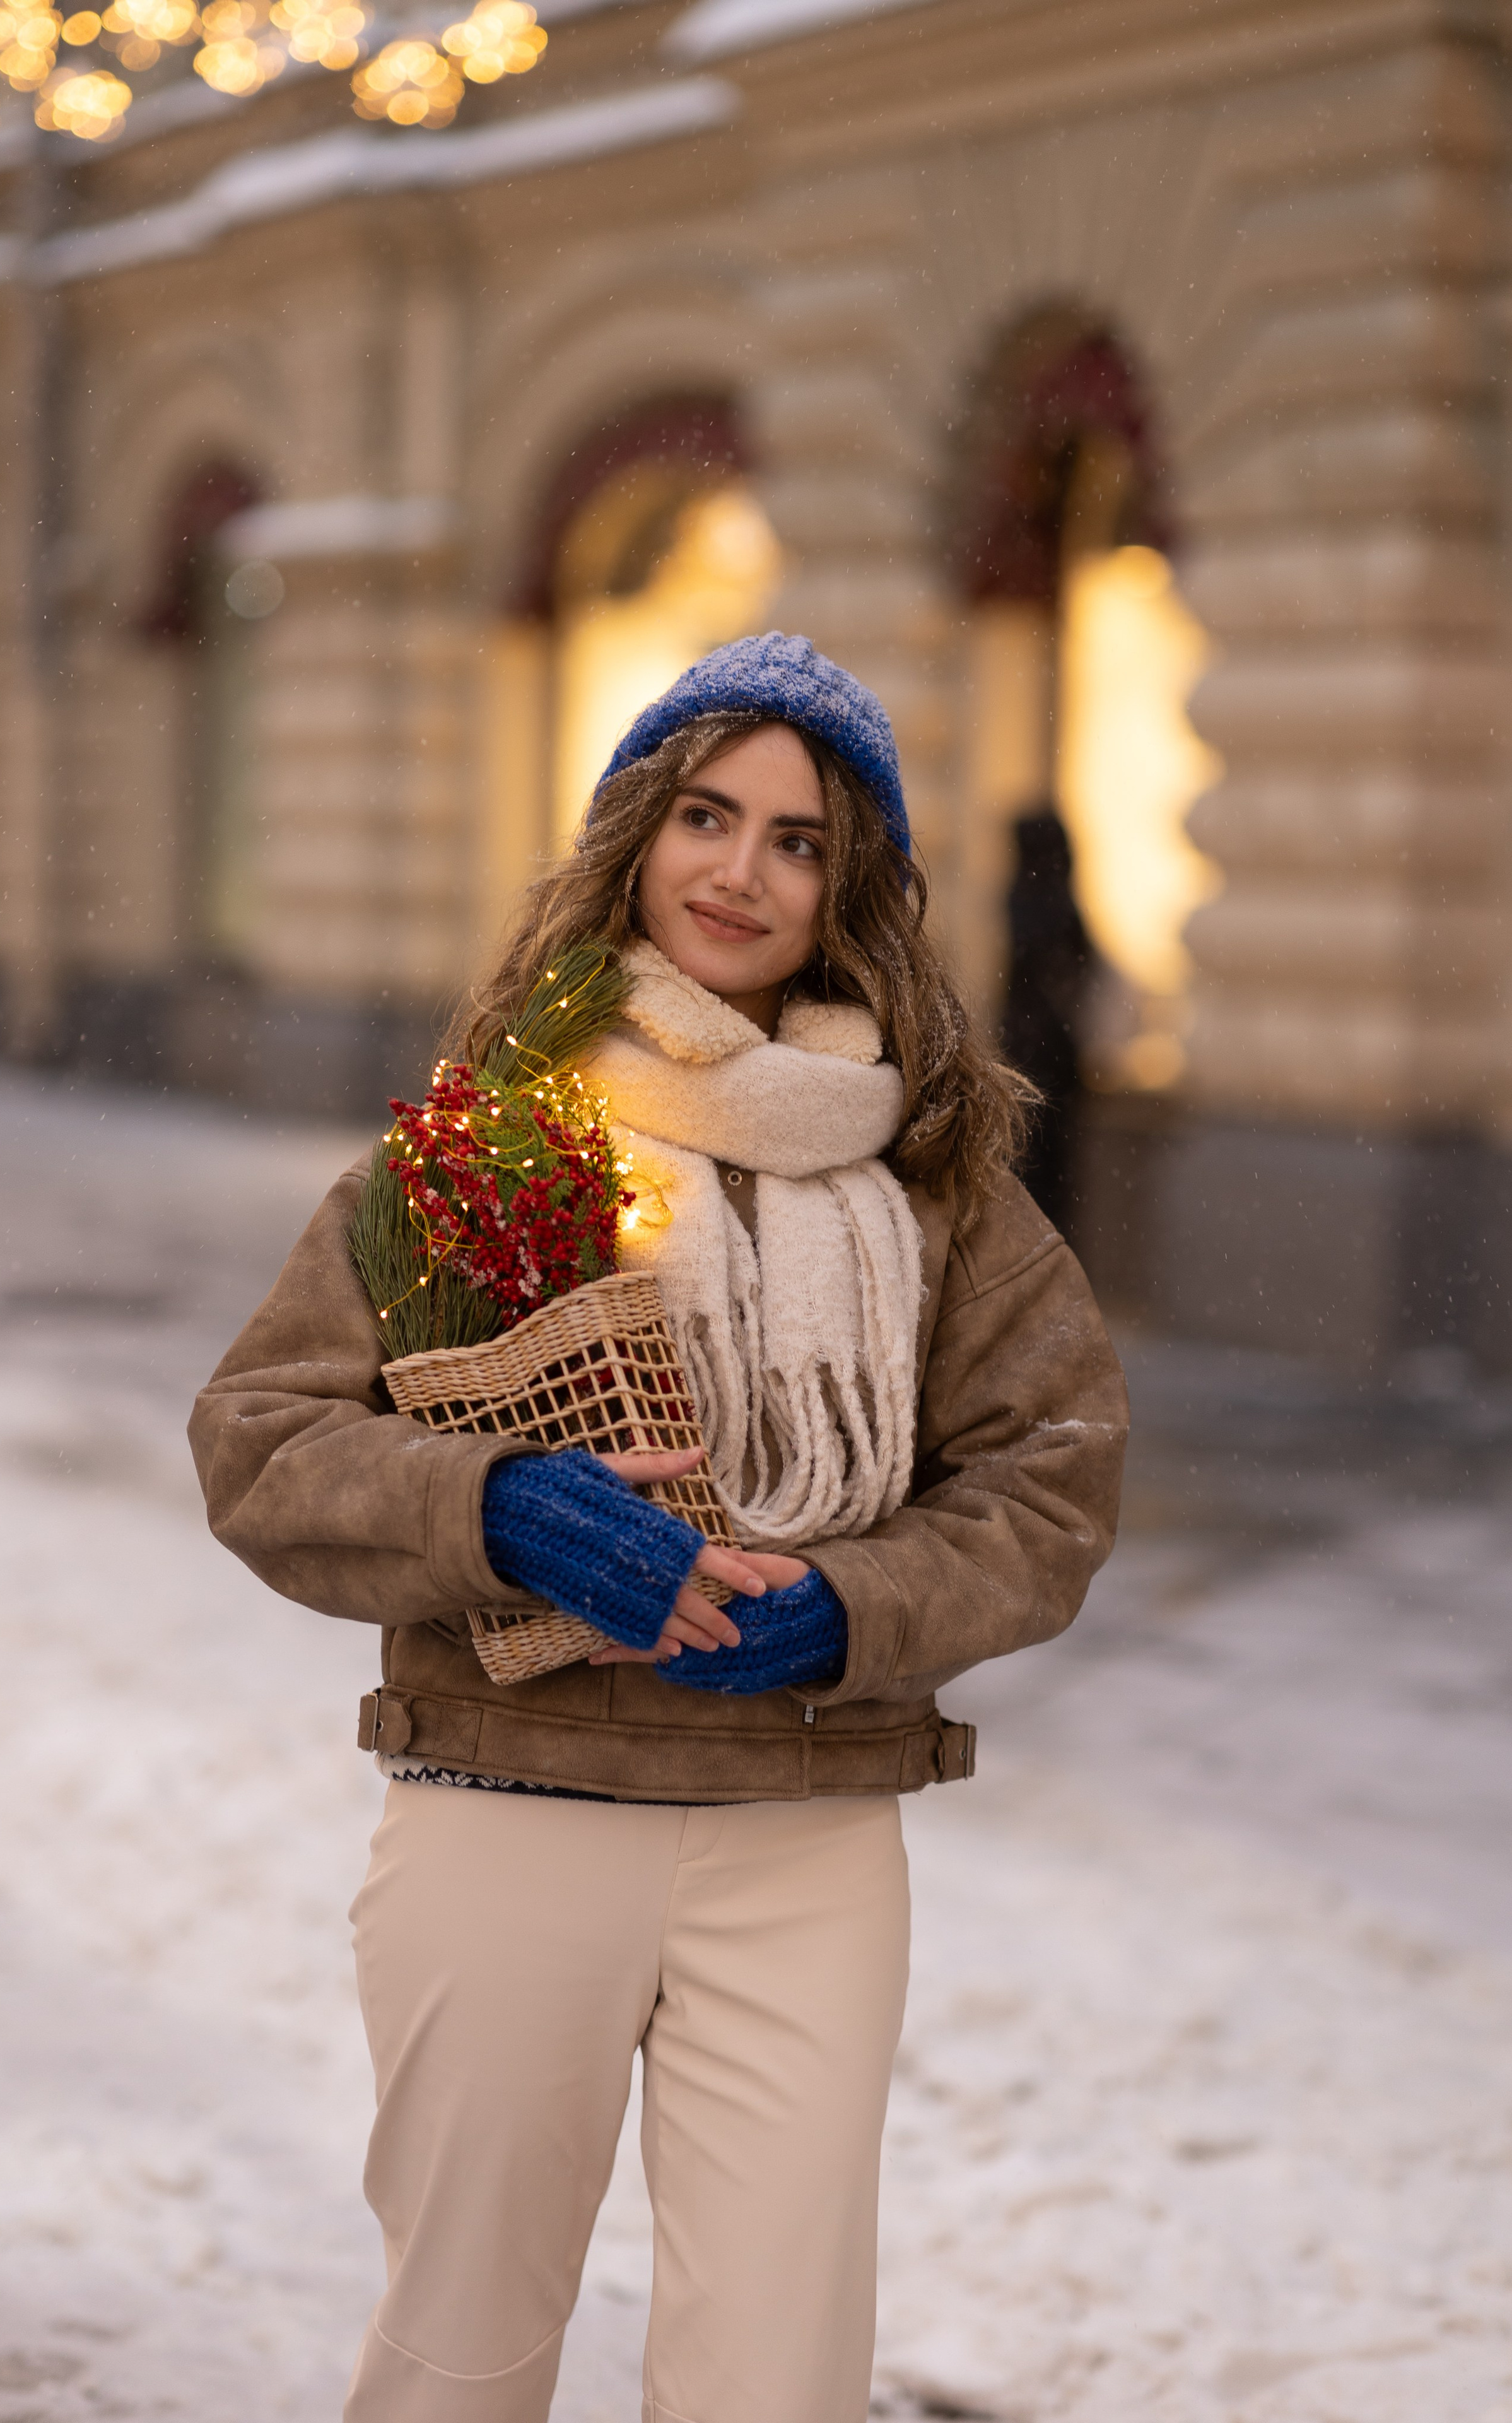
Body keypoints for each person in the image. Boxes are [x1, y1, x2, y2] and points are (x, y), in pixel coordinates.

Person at [189, 632, 1128, 2423]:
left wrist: (859, 1605)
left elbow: (1053, 1477)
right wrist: (497, 1508)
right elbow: (262, 1439)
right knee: (460, 2352)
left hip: (809, 1825)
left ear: (852, 893)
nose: (742, 873)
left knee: (775, 2382)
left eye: (799, 842)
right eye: (710, 815)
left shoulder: (931, 1181)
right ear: (637, 833)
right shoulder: (491, 1145)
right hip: (512, 1804)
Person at [999, 800, 1098, 1234]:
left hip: (1032, 1053)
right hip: (1053, 1054)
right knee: (1052, 1173)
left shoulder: (1029, 900)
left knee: (1035, 1170)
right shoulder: (1054, 900)